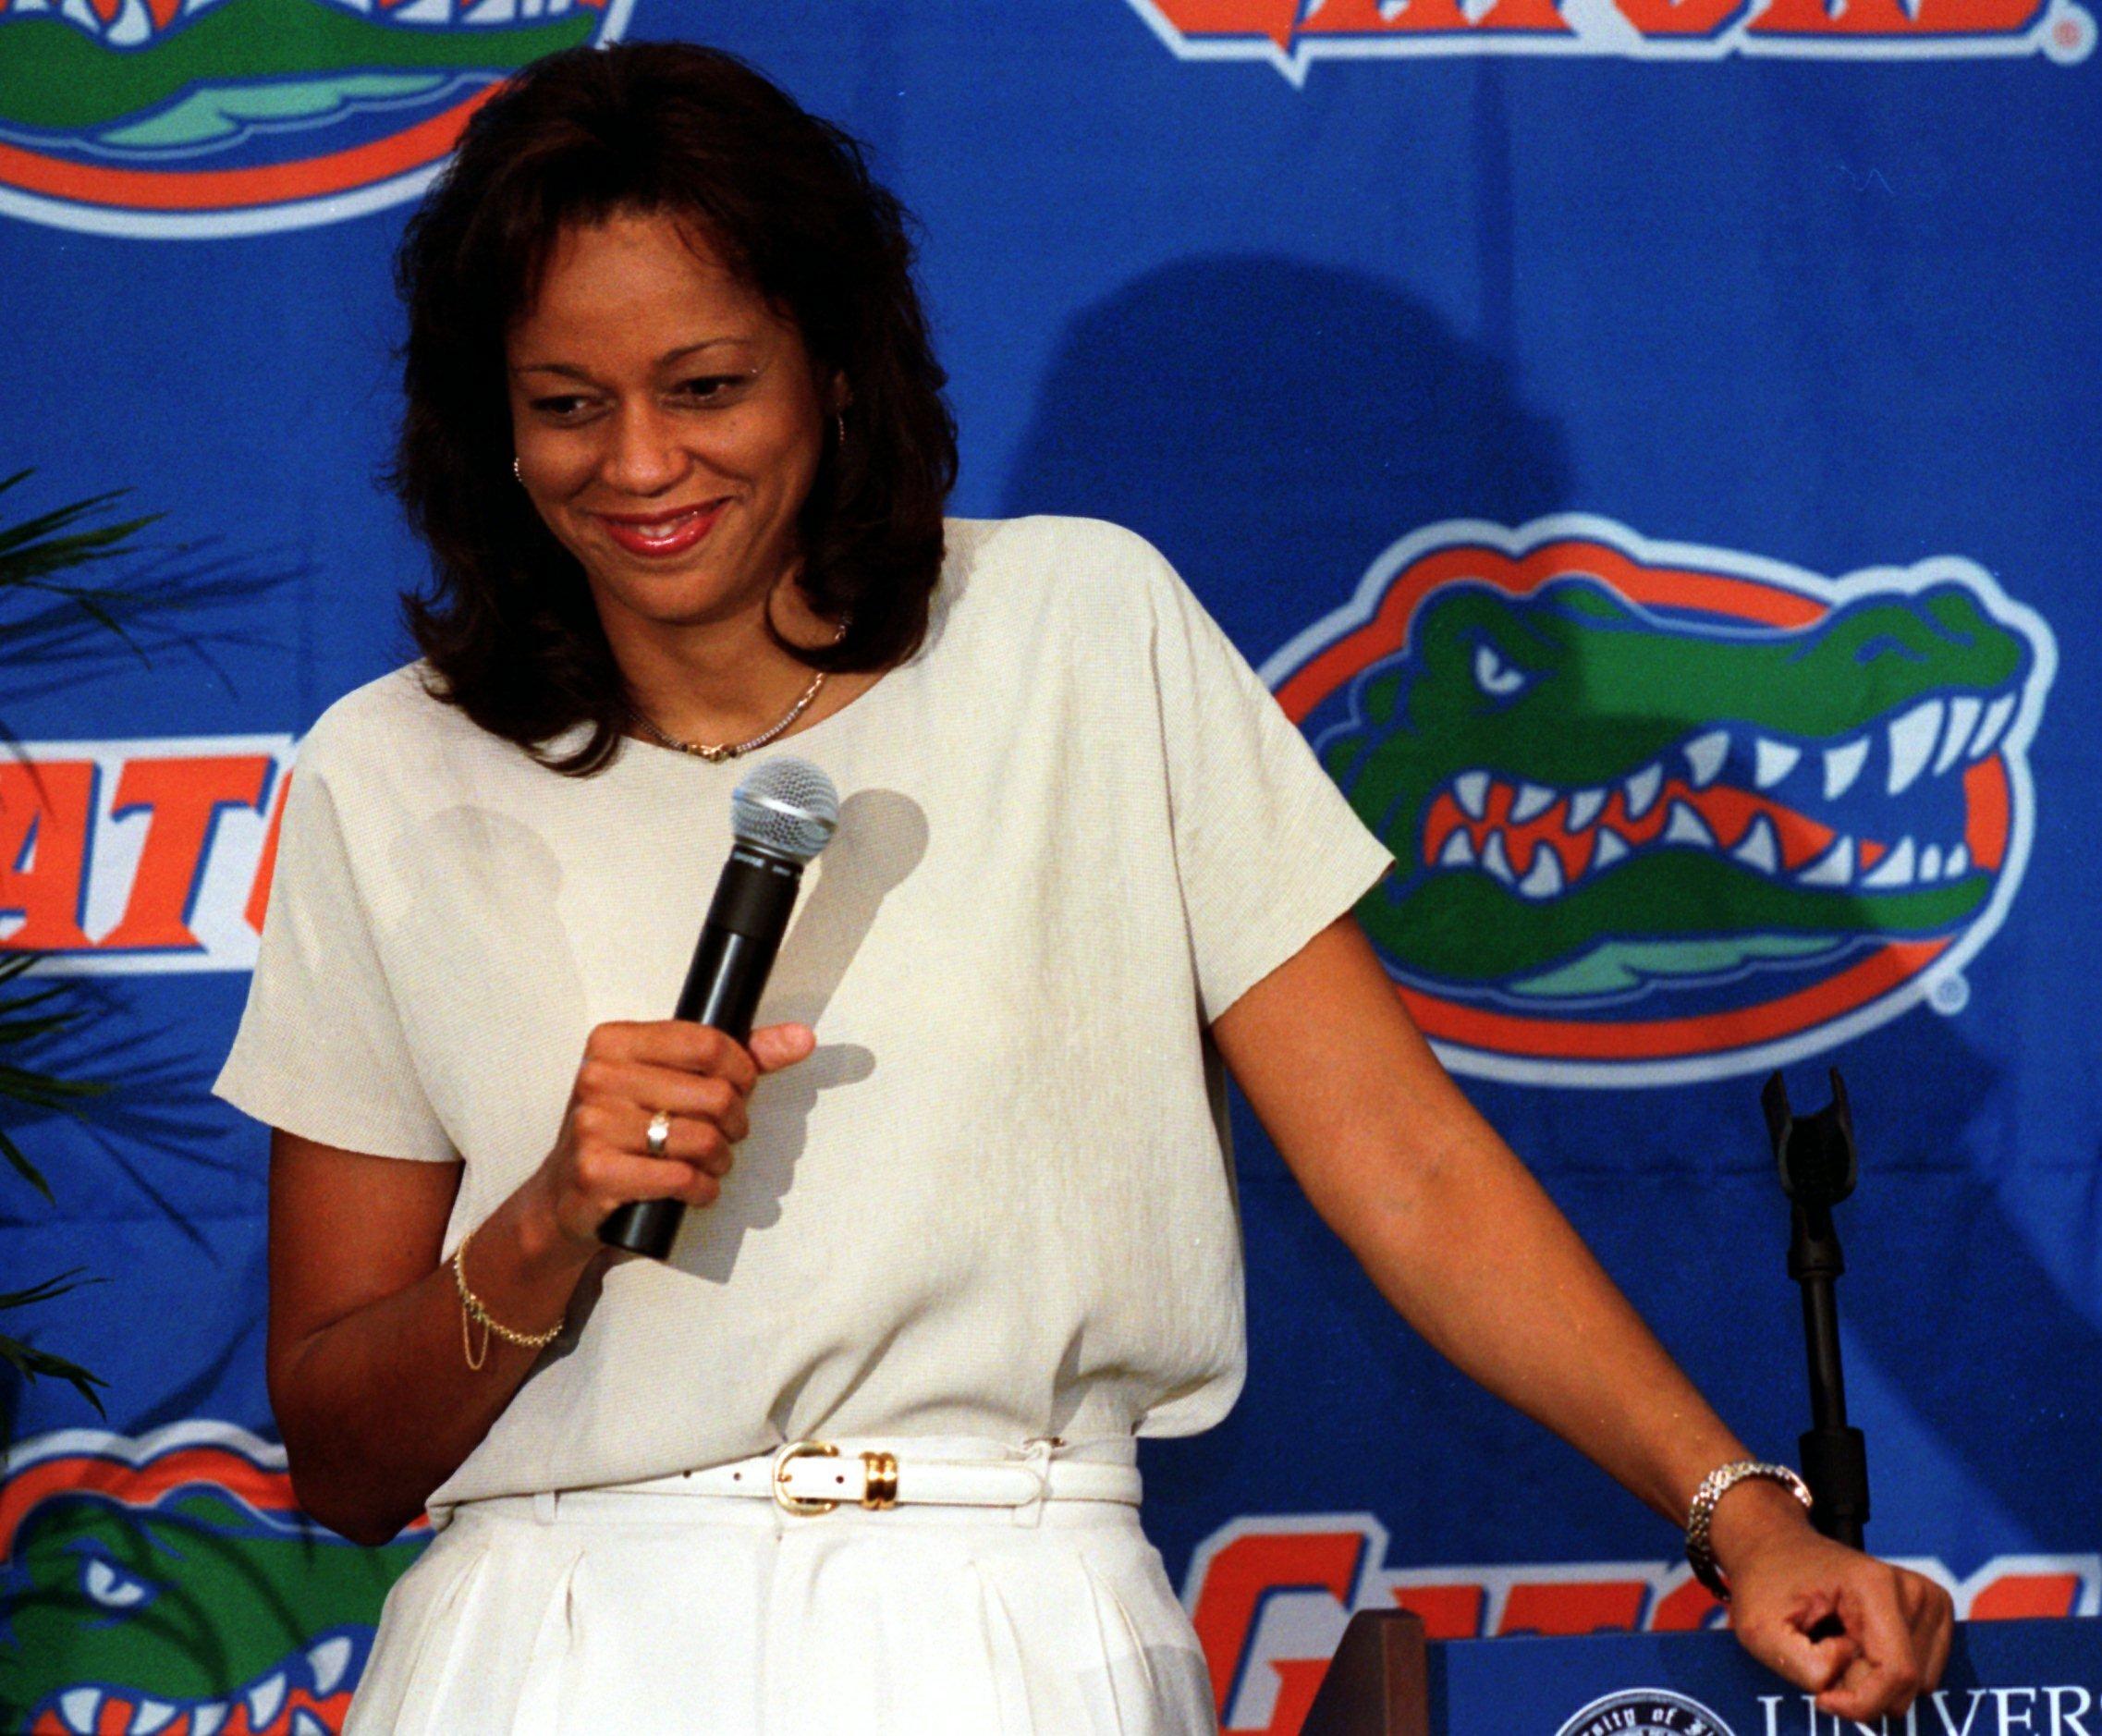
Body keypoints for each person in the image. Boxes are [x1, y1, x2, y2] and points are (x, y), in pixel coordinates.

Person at [213, 40, 1952, 1736]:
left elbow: (1407, 1165)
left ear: (834, 366)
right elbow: (346, 1460)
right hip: (548, 1650)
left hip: (1009, 1624)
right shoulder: (389, 768)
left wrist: (1738, 1507)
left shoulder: (1080, 628)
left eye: (706, 385)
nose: (643, 463)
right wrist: (540, 1223)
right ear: (491, 428)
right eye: (567, 407)